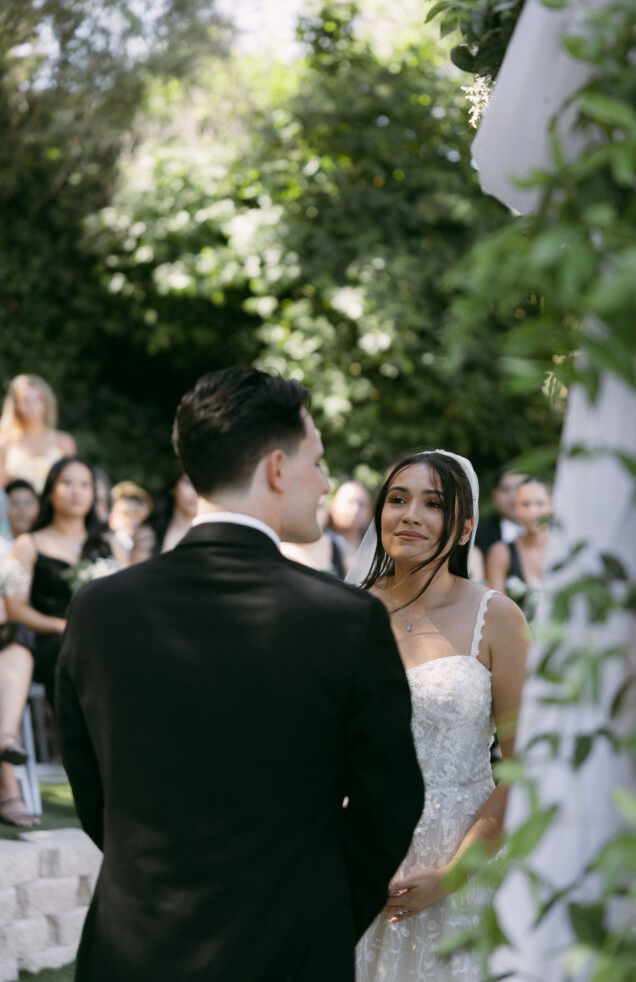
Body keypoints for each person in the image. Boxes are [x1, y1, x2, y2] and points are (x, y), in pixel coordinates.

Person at [55, 366, 424, 982]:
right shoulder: (347, 618)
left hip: (134, 948)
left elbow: (91, 791)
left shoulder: (98, 609)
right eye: (318, 460)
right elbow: (389, 802)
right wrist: (323, 916)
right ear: (277, 468)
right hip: (290, 952)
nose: (326, 482)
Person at [349, 450, 529, 982]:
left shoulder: (496, 617)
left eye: (433, 504)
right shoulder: (346, 612)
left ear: (464, 526)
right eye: (398, 500)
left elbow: (526, 766)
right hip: (360, 860)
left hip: (464, 857)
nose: (410, 516)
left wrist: (452, 876)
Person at [0, 457, 121, 827]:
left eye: (85, 484)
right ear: (50, 491)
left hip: (108, 642)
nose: (76, 492)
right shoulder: (28, 544)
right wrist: (58, 624)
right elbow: (15, 607)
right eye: (67, 483)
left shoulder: (112, 542)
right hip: (51, 643)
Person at [0, 374, 76, 493]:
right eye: (26, 400)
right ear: (17, 405)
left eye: (38, 399)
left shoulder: (64, 442)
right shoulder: (5, 443)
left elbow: (74, 482)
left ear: (46, 403)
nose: (33, 406)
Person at [486, 476, 552, 614]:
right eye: (525, 504)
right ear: (516, 508)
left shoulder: (565, 550)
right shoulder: (501, 552)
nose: (533, 512)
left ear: (552, 505)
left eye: (540, 504)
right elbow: (496, 611)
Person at [129, 464, 198, 564]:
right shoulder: (149, 534)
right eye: (188, 483)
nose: (195, 492)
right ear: (173, 487)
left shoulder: (212, 533)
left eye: (200, 485)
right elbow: (135, 576)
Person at [281, 496, 346, 577]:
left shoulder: (333, 545)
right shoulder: (279, 546)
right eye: (308, 506)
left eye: (320, 506)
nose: (314, 513)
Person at [475, 467, 525, 561]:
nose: (513, 496)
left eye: (519, 489)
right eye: (506, 490)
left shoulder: (549, 532)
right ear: (495, 495)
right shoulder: (477, 532)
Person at [328, 479, 372, 569]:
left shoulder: (376, 546)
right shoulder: (322, 541)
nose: (355, 510)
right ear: (333, 505)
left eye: (361, 504)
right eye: (349, 502)